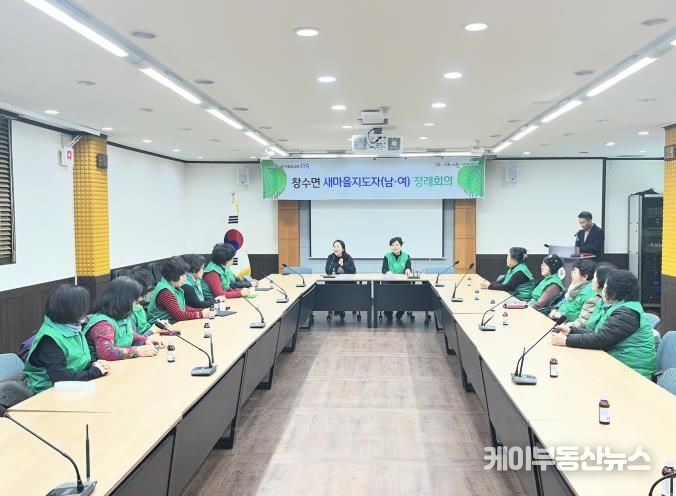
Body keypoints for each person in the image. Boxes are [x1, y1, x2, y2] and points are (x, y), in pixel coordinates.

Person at [551, 270, 656, 379]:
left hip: (633, 371)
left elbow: (601, 339)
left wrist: (566, 341)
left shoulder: (626, 313)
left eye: (606, 287)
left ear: (616, 291)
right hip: (618, 363)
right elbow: (599, 333)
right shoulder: (619, 307)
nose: (603, 291)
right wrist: (571, 331)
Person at [24, 285, 110, 393]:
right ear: (67, 310)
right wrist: (94, 372)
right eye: (80, 308)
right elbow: (61, 378)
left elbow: (80, 360)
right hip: (48, 392)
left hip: (73, 386)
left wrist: (95, 364)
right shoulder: (49, 339)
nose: (85, 312)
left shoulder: (73, 328)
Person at [84, 277, 164, 360]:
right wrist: (136, 351)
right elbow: (105, 352)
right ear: (124, 300)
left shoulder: (121, 316)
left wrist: (145, 340)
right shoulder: (102, 324)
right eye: (135, 301)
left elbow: (128, 335)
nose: (136, 306)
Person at [146, 257, 210, 326]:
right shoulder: (165, 292)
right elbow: (179, 315)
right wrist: (201, 314)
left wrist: (202, 311)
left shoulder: (173, 287)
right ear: (174, 275)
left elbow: (183, 308)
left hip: (171, 325)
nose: (185, 278)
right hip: (159, 329)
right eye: (183, 275)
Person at [381, 237, 412, 321]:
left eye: (397, 245)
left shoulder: (406, 256)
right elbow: (384, 269)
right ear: (390, 246)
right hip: (390, 280)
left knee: (406, 291)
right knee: (386, 291)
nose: (395, 247)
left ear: (401, 246)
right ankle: (388, 312)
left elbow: (408, 268)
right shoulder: (387, 256)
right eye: (392, 245)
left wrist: (408, 269)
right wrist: (388, 272)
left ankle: (401, 311)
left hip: (402, 281)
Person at [325, 240, 357, 319]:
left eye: (338, 246)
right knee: (335, 290)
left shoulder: (348, 257)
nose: (335, 248)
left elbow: (353, 270)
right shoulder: (331, 257)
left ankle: (339, 309)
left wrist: (343, 265)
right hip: (334, 283)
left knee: (342, 290)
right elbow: (327, 270)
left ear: (342, 249)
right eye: (334, 246)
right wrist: (337, 264)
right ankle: (339, 309)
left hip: (346, 283)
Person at [127, 266, 154, 335]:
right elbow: (135, 338)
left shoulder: (139, 306)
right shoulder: (128, 312)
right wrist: (153, 330)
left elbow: (146, 325)